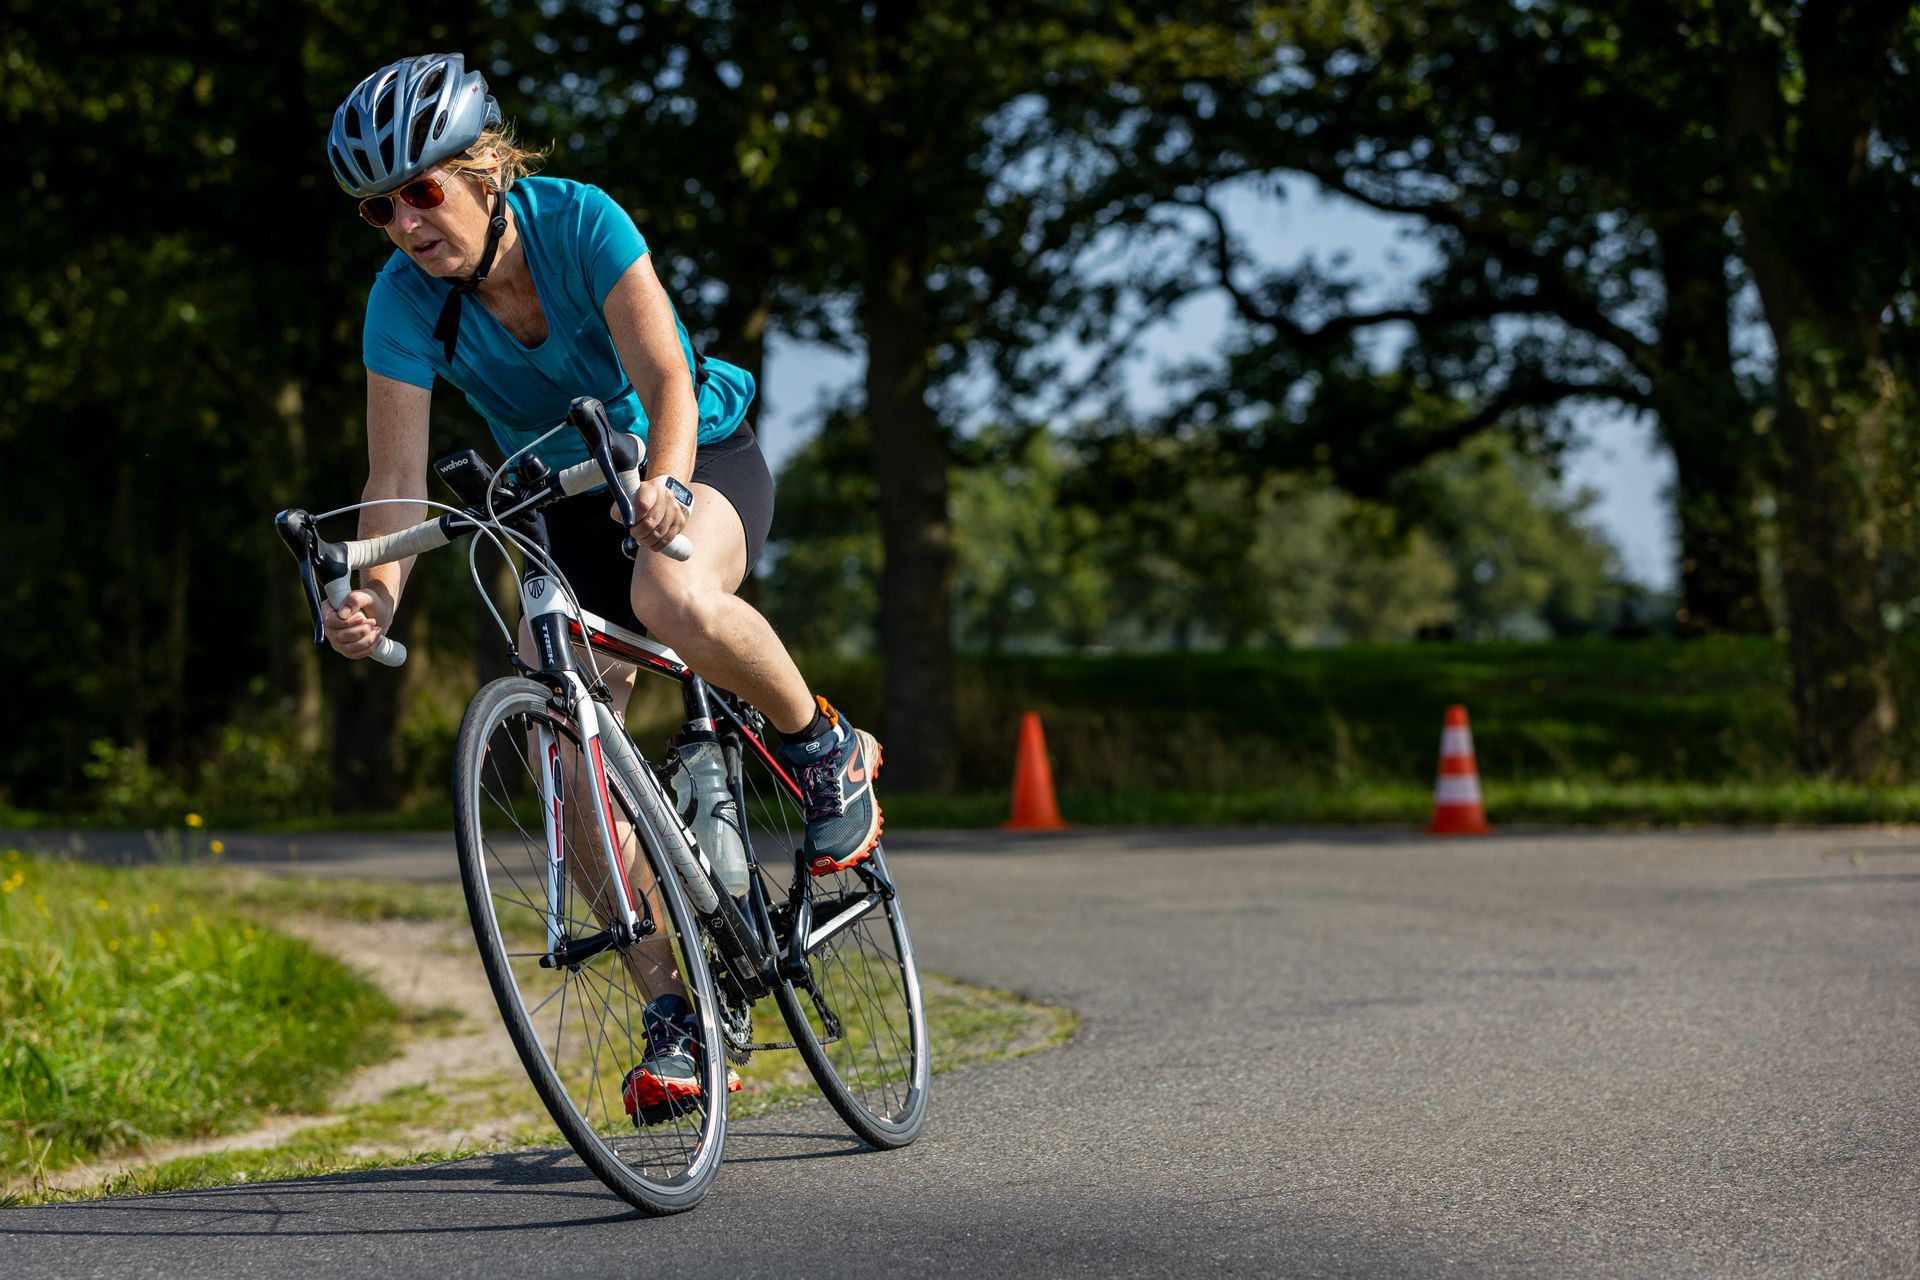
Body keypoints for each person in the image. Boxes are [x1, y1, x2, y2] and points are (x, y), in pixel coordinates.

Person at [317, 53, 882, 1108]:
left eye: (420, 192)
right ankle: (682, 1009)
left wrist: (664, 485)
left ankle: (825, 746)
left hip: (691, 451)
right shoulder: (400, 301)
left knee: (671, 598)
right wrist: (377, 596)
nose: (403, 224)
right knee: (564, 753)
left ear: (485, 166)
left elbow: (665, 375)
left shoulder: (581, 221)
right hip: (559, 502)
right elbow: (395, 481)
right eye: (378, 208)